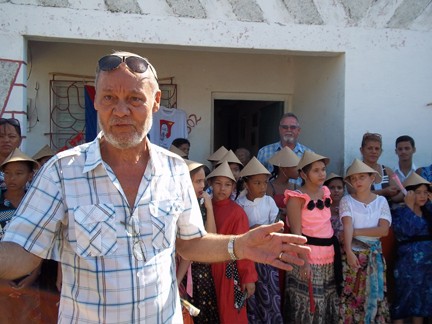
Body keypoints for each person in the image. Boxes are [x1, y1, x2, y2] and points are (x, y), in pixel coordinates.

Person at [0, 51, 310, 323]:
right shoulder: (61, 172)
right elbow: (21, 250)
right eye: (109, 97)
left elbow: (190, 243)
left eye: (135, 99)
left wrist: (238, 246)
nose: (121, 110)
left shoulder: (175, 170)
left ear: (156, 101)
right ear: (96, 100)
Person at [283, 151, 340, 323]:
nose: (322, 173)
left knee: (327, 297)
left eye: (323, 169)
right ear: (303, 174)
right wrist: (304, 261)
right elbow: (296, 232)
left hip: (328, 255)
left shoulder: (325, 192)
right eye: (316, 170)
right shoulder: (296, 198)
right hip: (308, 256)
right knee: (310, 302)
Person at [339, 159, 391, 323]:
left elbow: (383, 230)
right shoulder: (347, 201)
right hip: (354, 255)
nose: (357, 181)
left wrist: (356, 232)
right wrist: (348, 251)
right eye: (353, 178)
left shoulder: (381, 201)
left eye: (361, 177)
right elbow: (347, 225)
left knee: (374, 296)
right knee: (352, 297)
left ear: (371, 178)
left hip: (374, 255)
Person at [208, 161, 258, 323]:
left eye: (227, 185)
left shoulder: (237, 213)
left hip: (227, 270)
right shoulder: (203, 206)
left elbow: (244, 246)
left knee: (229, 313)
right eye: (218, 183)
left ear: (234, 187)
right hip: (203, 267)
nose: (222, 189)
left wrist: (248, 277)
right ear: (210, 183)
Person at [236, 157, 282, 323]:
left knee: (270, 290)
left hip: (268, 251)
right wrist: (254, 230)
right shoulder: (239, 204)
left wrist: (265, 230)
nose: (263, 187)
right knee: (252, 293)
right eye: (257, 183)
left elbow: (278, 225)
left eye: (264, 182)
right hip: (249, 255)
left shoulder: (269, 201)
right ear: (247, 184)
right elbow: (239, 231)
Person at [0, 148, 41, 323]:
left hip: (30, 277)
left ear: (30, 176)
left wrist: (34, 275)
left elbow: (40, 243)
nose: (12, 178)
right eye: (7, 173)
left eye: (18, 173)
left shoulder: (35, 205)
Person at [176, 159, 219, 323]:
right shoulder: (177, 207)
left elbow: (211, 236)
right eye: (198, 181)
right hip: (180, 269)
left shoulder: (201, 205)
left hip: (199, 272)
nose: (203, 185)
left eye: (204, 181)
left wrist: (209, 208)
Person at [390, 173, 432, 323]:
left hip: (427, 266)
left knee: (421, 304)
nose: (422, 196)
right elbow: (405, 230)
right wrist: (408, 206)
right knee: (402, 302)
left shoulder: (428, 212)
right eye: (418, 192)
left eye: (425, 192)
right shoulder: (399, 212)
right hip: (407, 265)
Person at [257, 112, 313, 186]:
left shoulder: (309, 154)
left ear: (298, 130)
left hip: (301, 196)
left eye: (293, 127)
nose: (288, 130)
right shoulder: (264, 152)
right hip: (271, 195)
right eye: (285, 127)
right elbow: (257, 178)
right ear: (280, 129)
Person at [0, 117, 22, 189]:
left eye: (12, 136)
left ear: (20, 141)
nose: (6, 140)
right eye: (1, 136)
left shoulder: (28, 169)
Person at [324, 172, 345, 239]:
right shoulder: (321, 207)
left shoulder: (348, 207)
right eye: (332, 188)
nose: (336, 190)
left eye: (339, 188)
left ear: (344, 190)